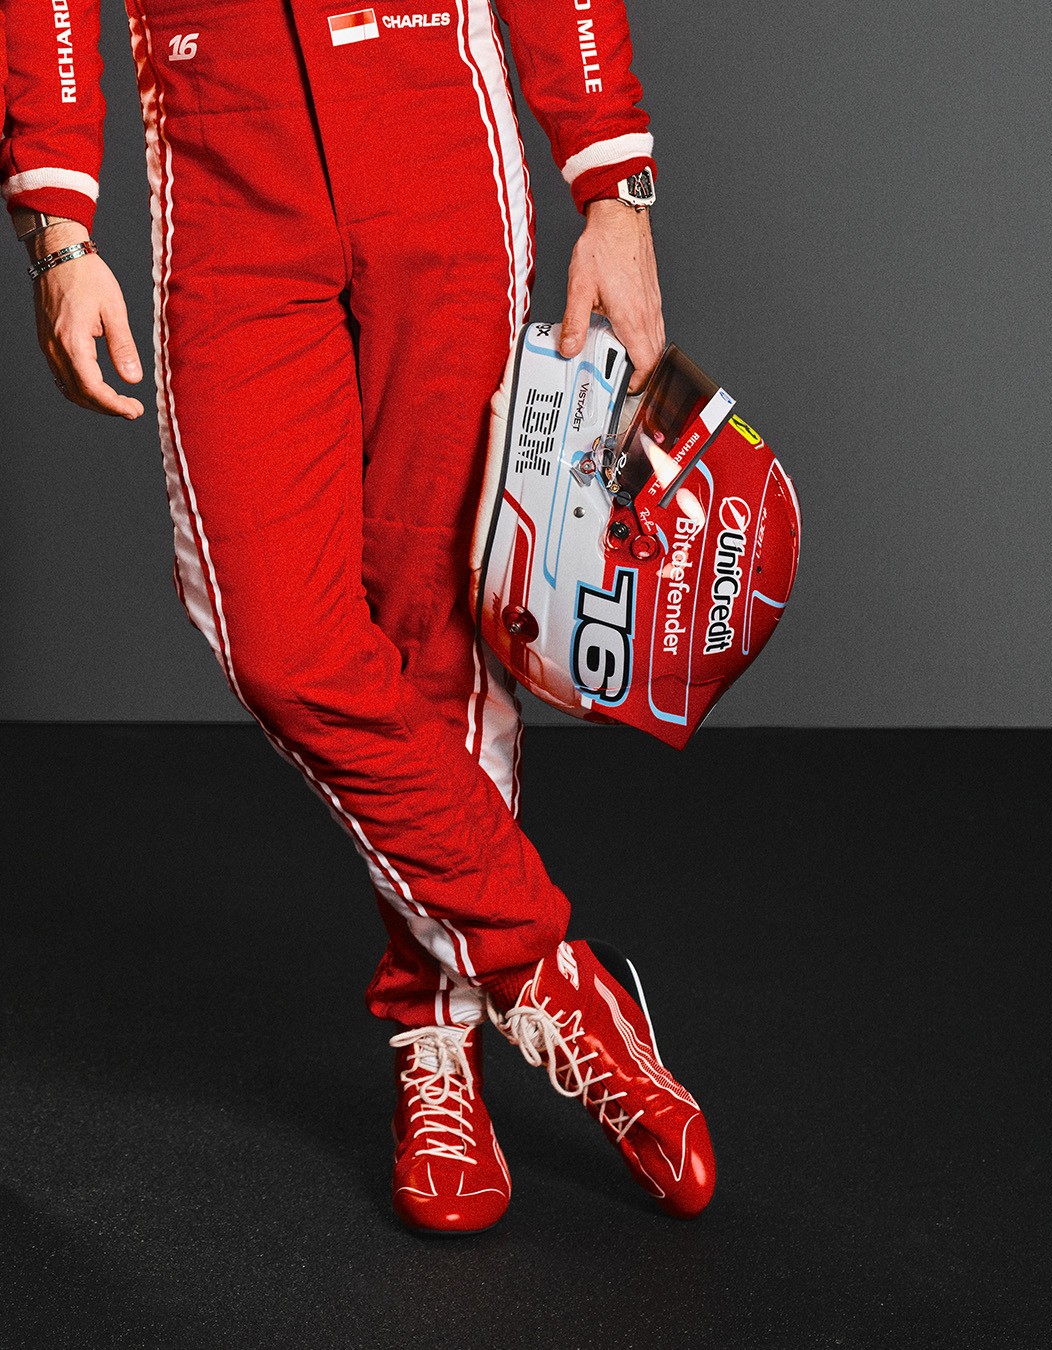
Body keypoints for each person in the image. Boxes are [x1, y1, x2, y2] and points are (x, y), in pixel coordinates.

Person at [3, 0, 715, 1233]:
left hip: (432, 133)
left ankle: (439, 1036)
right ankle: (547, 977)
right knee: (282, 644)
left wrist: (614, 183)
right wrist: (57, 227)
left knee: (442, 624)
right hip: (225, 163)